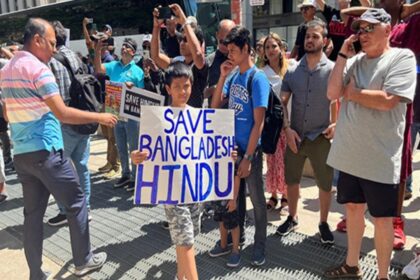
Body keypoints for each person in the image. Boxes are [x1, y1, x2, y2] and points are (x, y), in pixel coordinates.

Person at [0, 18, 118, 279]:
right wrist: (100, 117)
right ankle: (83, 260)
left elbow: (7, 115)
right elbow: (63, 113)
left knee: (32, 215)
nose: (54, 49)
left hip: (22, 154)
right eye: (52, 43)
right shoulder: (39, 70)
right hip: (48, 151)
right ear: (38, 39)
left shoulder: (6, 70)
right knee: (77, 203)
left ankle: (35, 273)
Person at [324, 8, 416, 280]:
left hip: (379, 157)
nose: (362, 34)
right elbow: (331, 93)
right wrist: (342, 53)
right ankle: (352, 266)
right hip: (349, 154)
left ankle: (382, 275)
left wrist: (353, 94)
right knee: (352, 209)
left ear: (387, 30)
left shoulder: (402, 57)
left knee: (382, 219)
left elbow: (389, 100)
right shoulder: (354, 61)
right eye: (360, 29)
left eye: (369, 28)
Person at [131, 62, 203, 280]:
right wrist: (136, 157)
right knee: (186, 241)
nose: (183, 91)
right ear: (168, 89)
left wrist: (227, 156)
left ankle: (181, 276)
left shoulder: (199, 117)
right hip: (172, 192)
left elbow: (208, 151)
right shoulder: (158, 119)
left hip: (195, 189)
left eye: (187, 86)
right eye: (178, 86)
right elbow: (145, 151)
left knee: (188, 238)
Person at [211, 25, 270, 266]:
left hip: (249, 152)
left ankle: (260, 245)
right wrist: (222, 76)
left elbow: (259, 122)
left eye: (234, 50)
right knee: (237, 199)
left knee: (257, 200)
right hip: (231, 151)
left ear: (246, 49)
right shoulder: (233, 76)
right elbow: (214, 108)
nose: (230, 54)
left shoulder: (258, 79)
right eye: (228, 50)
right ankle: (240, 238)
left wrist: (248, 156)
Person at [276, 19, 336, 245]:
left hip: (320, 136)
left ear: (325, 41)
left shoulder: (332, 70)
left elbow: (338, 100)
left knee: (325, 183)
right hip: (296, 136)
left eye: (315, 36)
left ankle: (323, 222)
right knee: (292, 180)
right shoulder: (291, 70)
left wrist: (335, 124)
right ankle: (292, 217)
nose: (310, 40)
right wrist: (287, 129)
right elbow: (282, 102)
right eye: (307, 36)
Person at [47, 20, 94, 226]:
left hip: (63, 121)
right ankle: (86, 208)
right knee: (82, 166)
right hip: (82, 116)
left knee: (57, 169)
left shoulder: (50, 61)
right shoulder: (75, 56)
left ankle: (66, 211)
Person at [94, 37, 144, 191]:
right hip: (116, 113)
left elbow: (142, 94)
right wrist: (97, 51)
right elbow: (98, 69)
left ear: (133, 52)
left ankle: (136, 178)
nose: (123, 48)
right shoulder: (114, 65)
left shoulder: (138, 71)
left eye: (127, 47)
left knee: (133, 147)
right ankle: (125, 174)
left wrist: (133, 87)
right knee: (120, 146)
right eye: (123, 46)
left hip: (131, 115)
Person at [151, 4, 208, 109]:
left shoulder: (200, 64)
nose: (182, 43)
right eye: (181, 39)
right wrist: (156, 27)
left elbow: (198, 54)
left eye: (186, 40)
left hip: (192, 120)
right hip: (173, 120)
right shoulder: (177, 62)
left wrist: (184, 22)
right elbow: (155, 56)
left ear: (198, 43)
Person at [261, 33, 291, 214]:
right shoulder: (261, 73)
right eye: (267, 47)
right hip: (271, 123)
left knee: (287, 162)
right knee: (272, 161)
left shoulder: (291, 69)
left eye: (274, 46)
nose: (271, 50)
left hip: (288, 123)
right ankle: (273, 195)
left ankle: (286, 196)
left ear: (280, 48)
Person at [205, 19, 236, 106]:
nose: (225, 46)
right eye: (222, 41)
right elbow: (200, 93)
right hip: (215, 114)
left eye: (228, 42)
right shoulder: (208, 61)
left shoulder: (240, 61)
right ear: (217, 35)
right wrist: (212, 90)